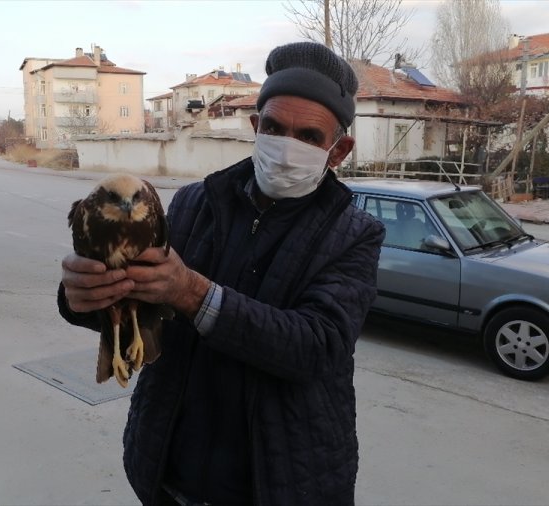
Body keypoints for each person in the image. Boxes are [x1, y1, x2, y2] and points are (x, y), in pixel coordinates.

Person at [58, 41, 385, 505]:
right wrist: (84, 295)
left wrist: (192, 292)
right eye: (274, 127)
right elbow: (146, 305)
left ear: (339, 150)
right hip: (169, 475)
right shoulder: (194, 202)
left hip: (282, 484)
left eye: (309, 136)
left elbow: (316, 348)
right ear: (255, 126)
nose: (287, 146)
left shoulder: (355, 234)